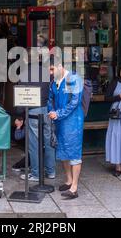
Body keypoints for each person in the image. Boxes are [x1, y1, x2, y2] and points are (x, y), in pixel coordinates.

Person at [48, 58, 84, 199]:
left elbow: (74, 102)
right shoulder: (54, 82)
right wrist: (51, 112)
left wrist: (58, 114)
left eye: (52, 69)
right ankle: (69, 180)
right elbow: (50, 98)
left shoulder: (72, 79)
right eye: (49, 71)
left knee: (74, 153)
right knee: (62, 151)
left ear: (60, 66)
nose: (51, 73)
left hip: (73, 122)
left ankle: (74, 188)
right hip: (60, 121)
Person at [18, 49, 55, 182]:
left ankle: (35, 173)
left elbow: (21, 96)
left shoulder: (24, 74)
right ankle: (51, 171)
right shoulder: (47, 73)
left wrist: (20, 115)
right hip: (47, 109)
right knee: (48, 141)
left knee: (34, 144)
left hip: (33, 111)